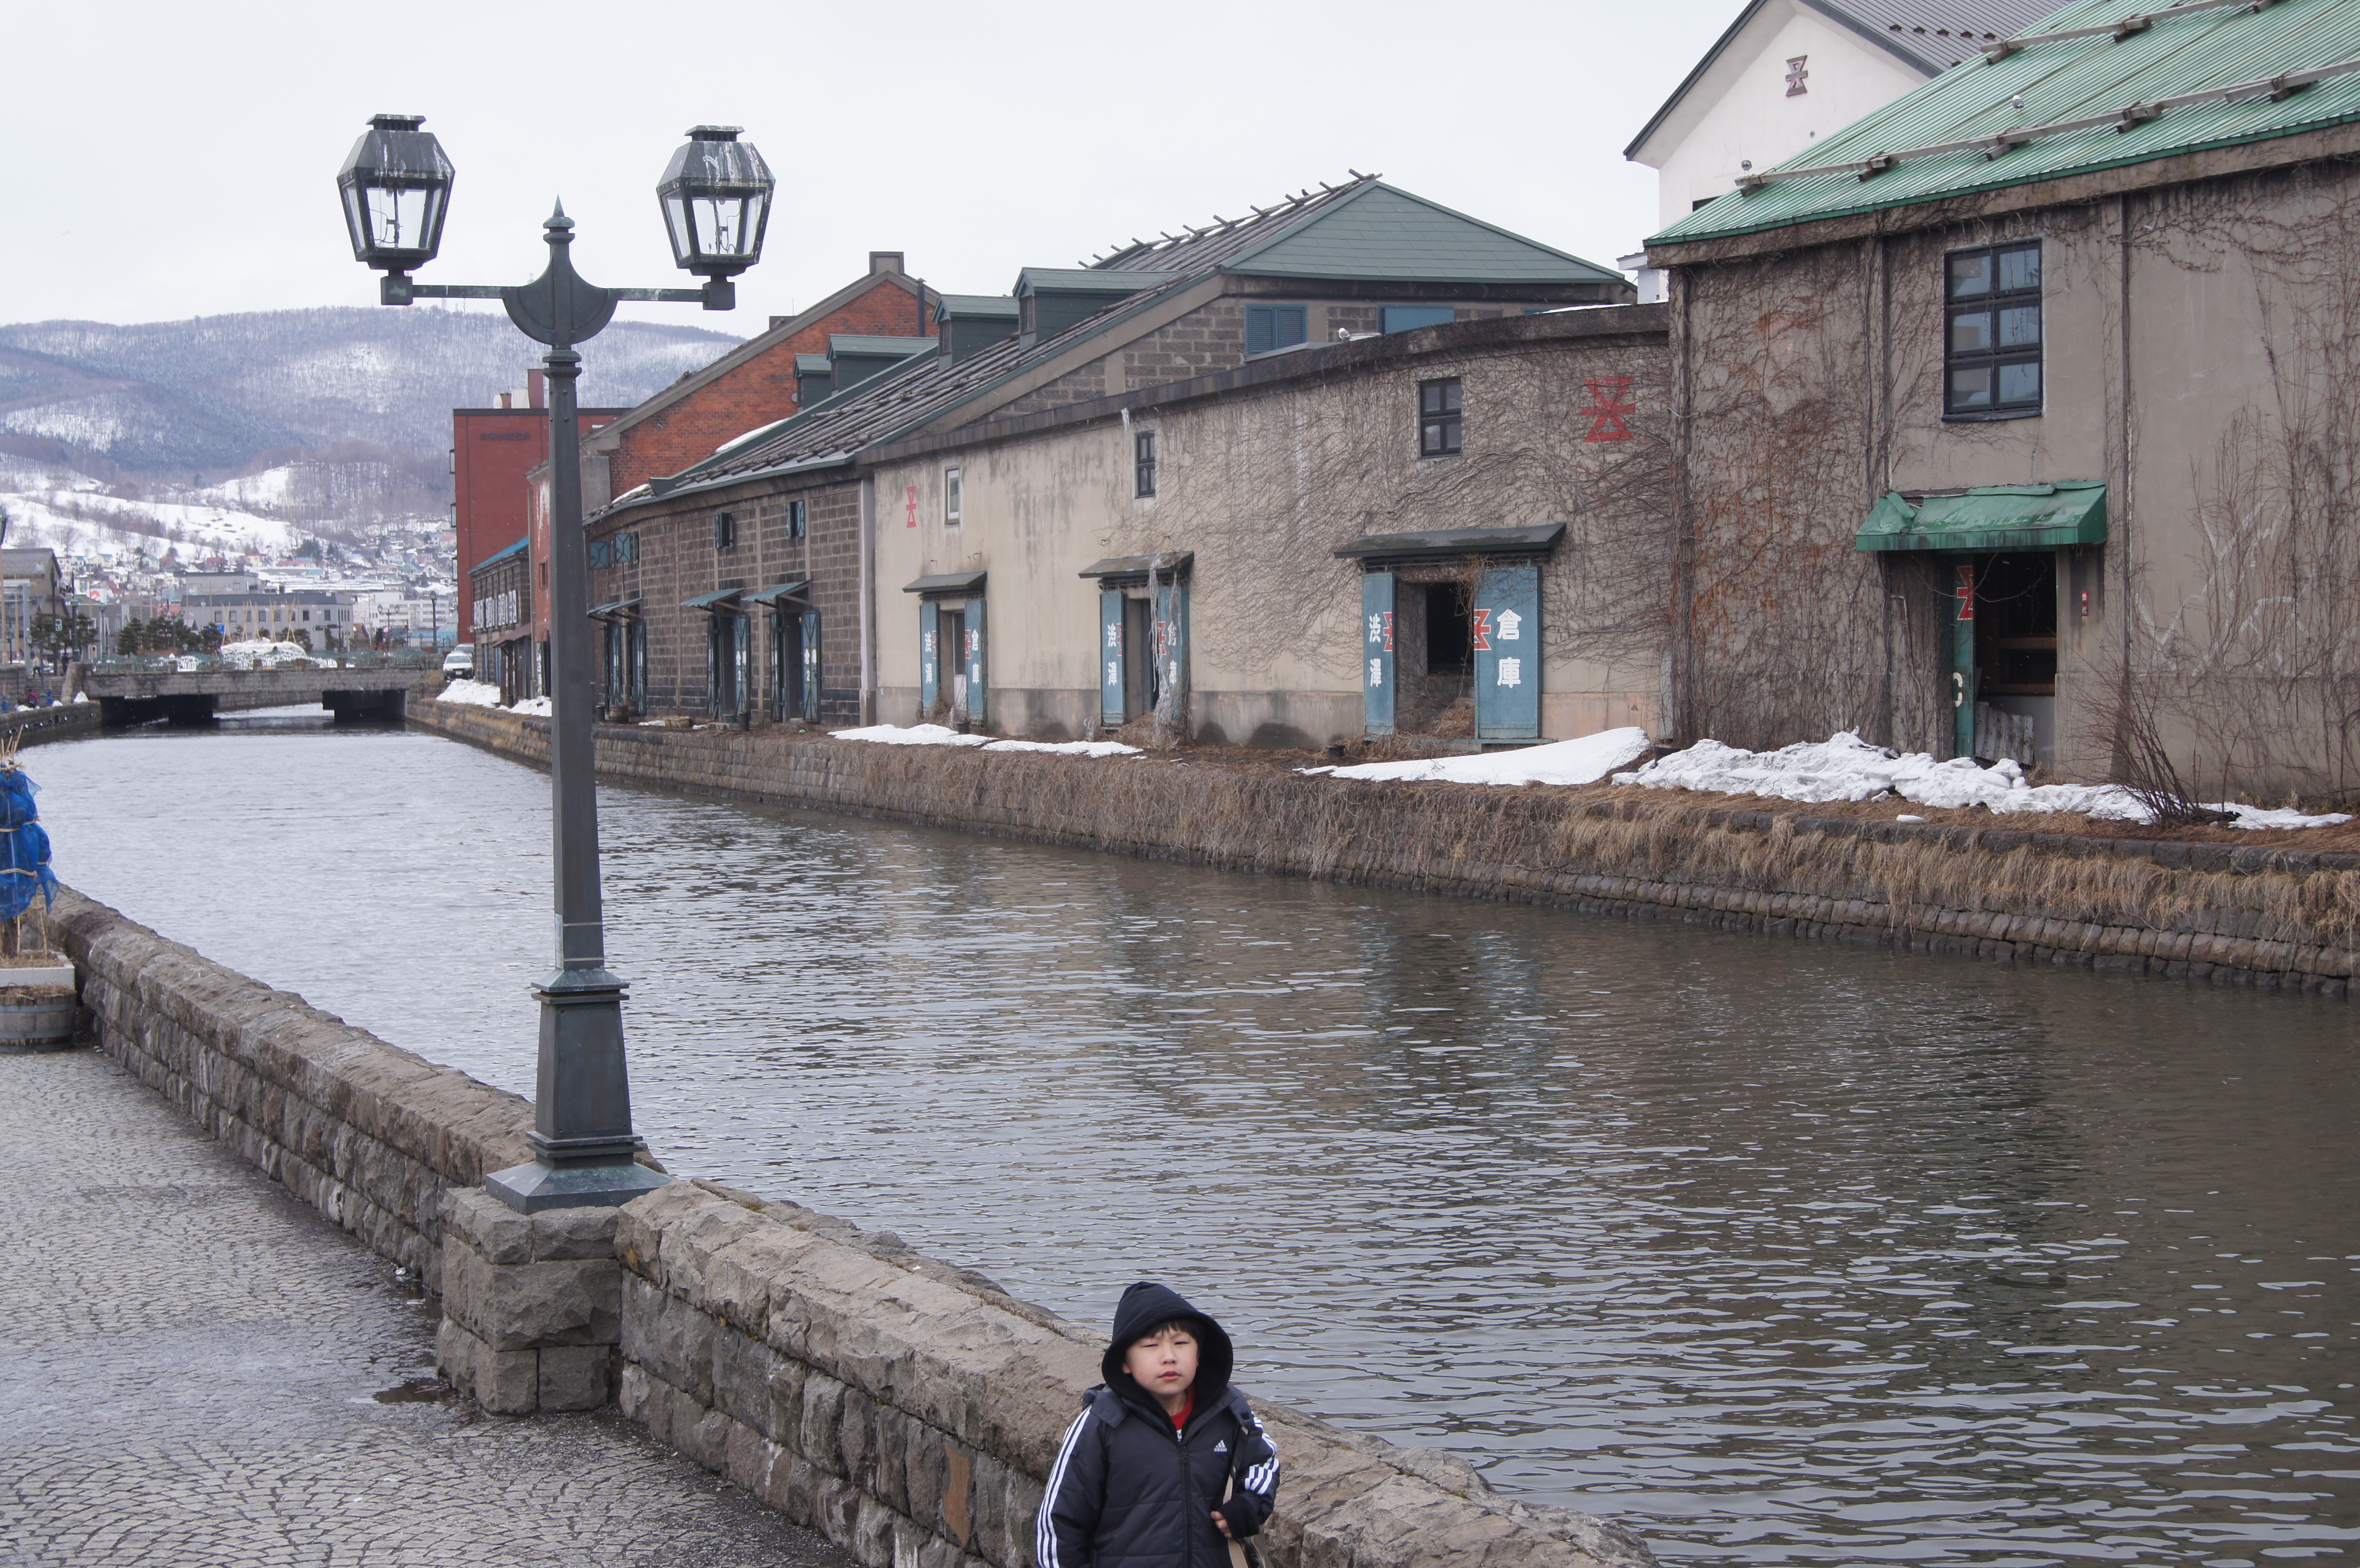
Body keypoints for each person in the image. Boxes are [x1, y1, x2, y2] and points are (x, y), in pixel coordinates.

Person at [1038, 1281, 1281, 1568]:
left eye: (1181, 1343)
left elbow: (1264, 1463)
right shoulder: (1101, 1424)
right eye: (1151, 1345)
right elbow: (1058, 1525)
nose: (1169, 1356)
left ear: (1199, 1354)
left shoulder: (1230, 1412)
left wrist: (1250, 1505)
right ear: (1125, 1362)